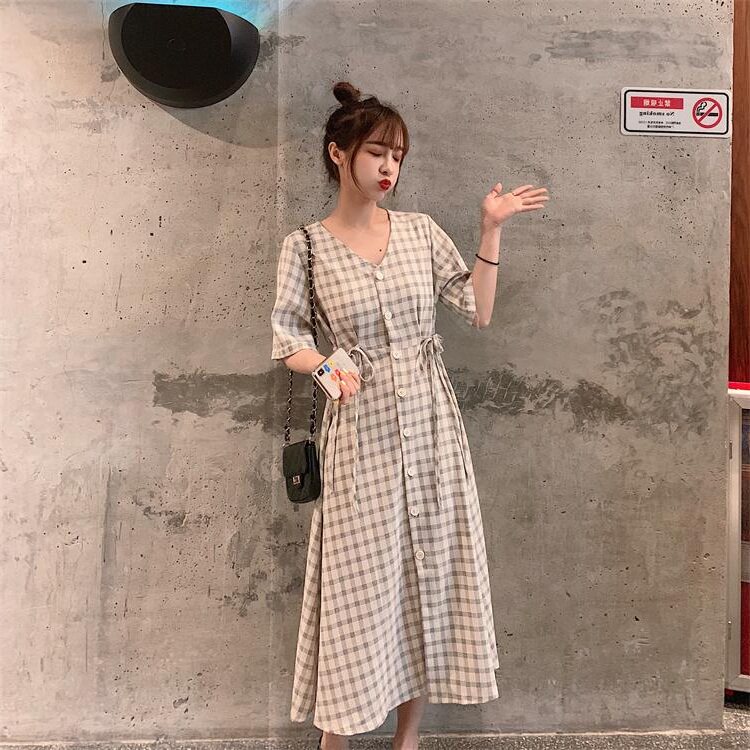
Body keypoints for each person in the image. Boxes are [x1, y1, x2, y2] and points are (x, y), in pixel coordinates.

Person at [270, 81, 549, 750]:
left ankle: (409, 738)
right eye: (376, 153)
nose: (388, 167)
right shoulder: (304, 246)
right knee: (359, 585)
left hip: (430, 428)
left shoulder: (421, 233)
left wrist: (491, 230)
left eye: (397, 155)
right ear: (338, 154)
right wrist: (326, 368)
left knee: (427, 570)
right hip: (358, 434)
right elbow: (286, 337)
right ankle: (336, 738)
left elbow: (477, 310)